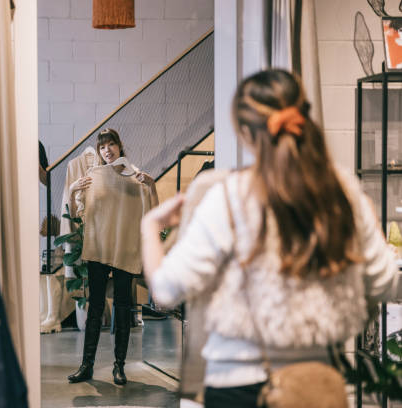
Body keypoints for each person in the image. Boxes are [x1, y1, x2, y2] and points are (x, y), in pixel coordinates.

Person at [141, 69, 399, 407]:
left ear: (246, 133)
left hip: (238, 388)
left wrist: (150, 226)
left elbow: (166, 289)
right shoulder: (344, 195)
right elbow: (387, 284)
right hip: (315, 388)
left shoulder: (229, 199)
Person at [67, 128, 158, 385]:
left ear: (120, 146)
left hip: (125, 248)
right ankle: (87, 365)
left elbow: (153, 213)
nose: (107, 150)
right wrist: (74, 187)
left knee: (122, 307)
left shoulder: (136, 177)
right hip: (99, 248)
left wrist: (151, 186)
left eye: (111, 145)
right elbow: (76, 213)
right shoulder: (93, 177)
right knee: (95, 306)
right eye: (102, 147)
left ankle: (119, 367)